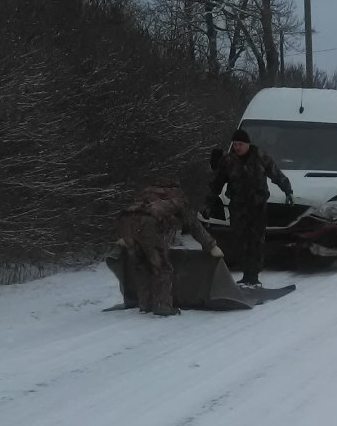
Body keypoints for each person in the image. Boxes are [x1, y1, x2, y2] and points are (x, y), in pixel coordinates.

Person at [116, 177, 224, 316]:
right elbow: (193, 225)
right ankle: (162, 306)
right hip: (147, 225)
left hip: (124, 223)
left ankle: (145, 304)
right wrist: (211, 245)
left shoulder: (147, 191)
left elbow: (133, 209)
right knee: (161, 266)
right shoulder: (177, 196)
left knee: (141, 265)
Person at [208, 128, 294, 288]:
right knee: (240, 240)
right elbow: (217, 182)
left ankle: (253, 275)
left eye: (240, 144)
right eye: (234, 144)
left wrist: (287, 190)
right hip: (237, 207)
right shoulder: (228, 161)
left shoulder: (261, 157)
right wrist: (210, 201)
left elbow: (276, 174)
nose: (237, 148)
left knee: (256, 241)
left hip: (257, 207)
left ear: (247, 144)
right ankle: (245, 274)